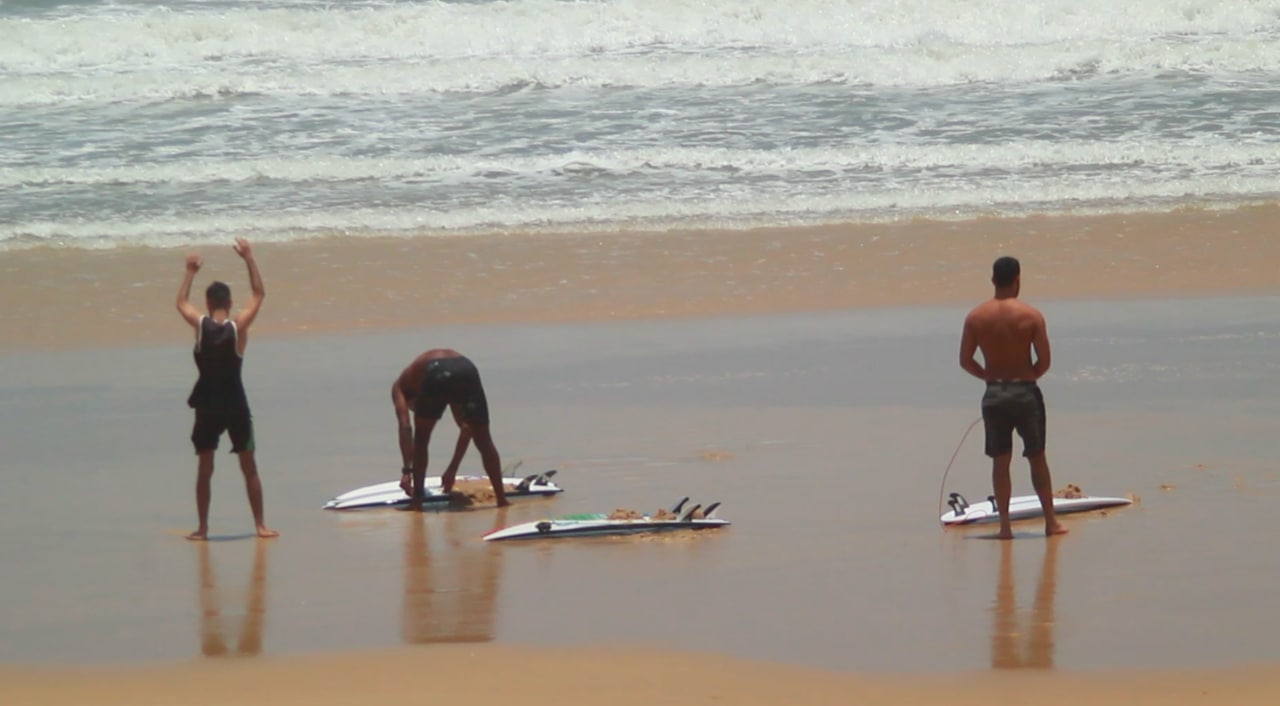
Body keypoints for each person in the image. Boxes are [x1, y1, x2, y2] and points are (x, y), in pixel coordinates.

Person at [176, 238, 278, 540]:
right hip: (236, 406)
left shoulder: (200, 326)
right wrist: (249, 257)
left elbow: (181, 303)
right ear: (230, 303)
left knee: (205, 468)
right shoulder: (238, 328)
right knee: (249, 466)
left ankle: (203, 528)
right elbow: (259, 294)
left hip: (208, 407)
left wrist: (190, 271)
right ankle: (260, 525)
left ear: (208, 304)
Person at [959, 256, 1067, 539]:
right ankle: (1050, 523)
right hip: (1025, 393)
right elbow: (1044, 362)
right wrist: (1026, 375)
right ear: (1018, 279)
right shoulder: (1031, 316)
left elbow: (965, 360)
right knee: (1037, 457)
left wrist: (989, 377)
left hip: (994, 394)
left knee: (1000, 461)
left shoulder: (976, 317)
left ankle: (1005, 527)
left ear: (993, 280)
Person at [391, 349, 510, 510]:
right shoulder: (432, 383)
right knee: (483, 440)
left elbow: (405, 427)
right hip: (465, 368)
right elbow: (466, 428)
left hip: (436, 370)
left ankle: (416, 502)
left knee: (421, 440)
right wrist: (453, 468)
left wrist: (407, 471)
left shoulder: (399, 387)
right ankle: (502, 500)